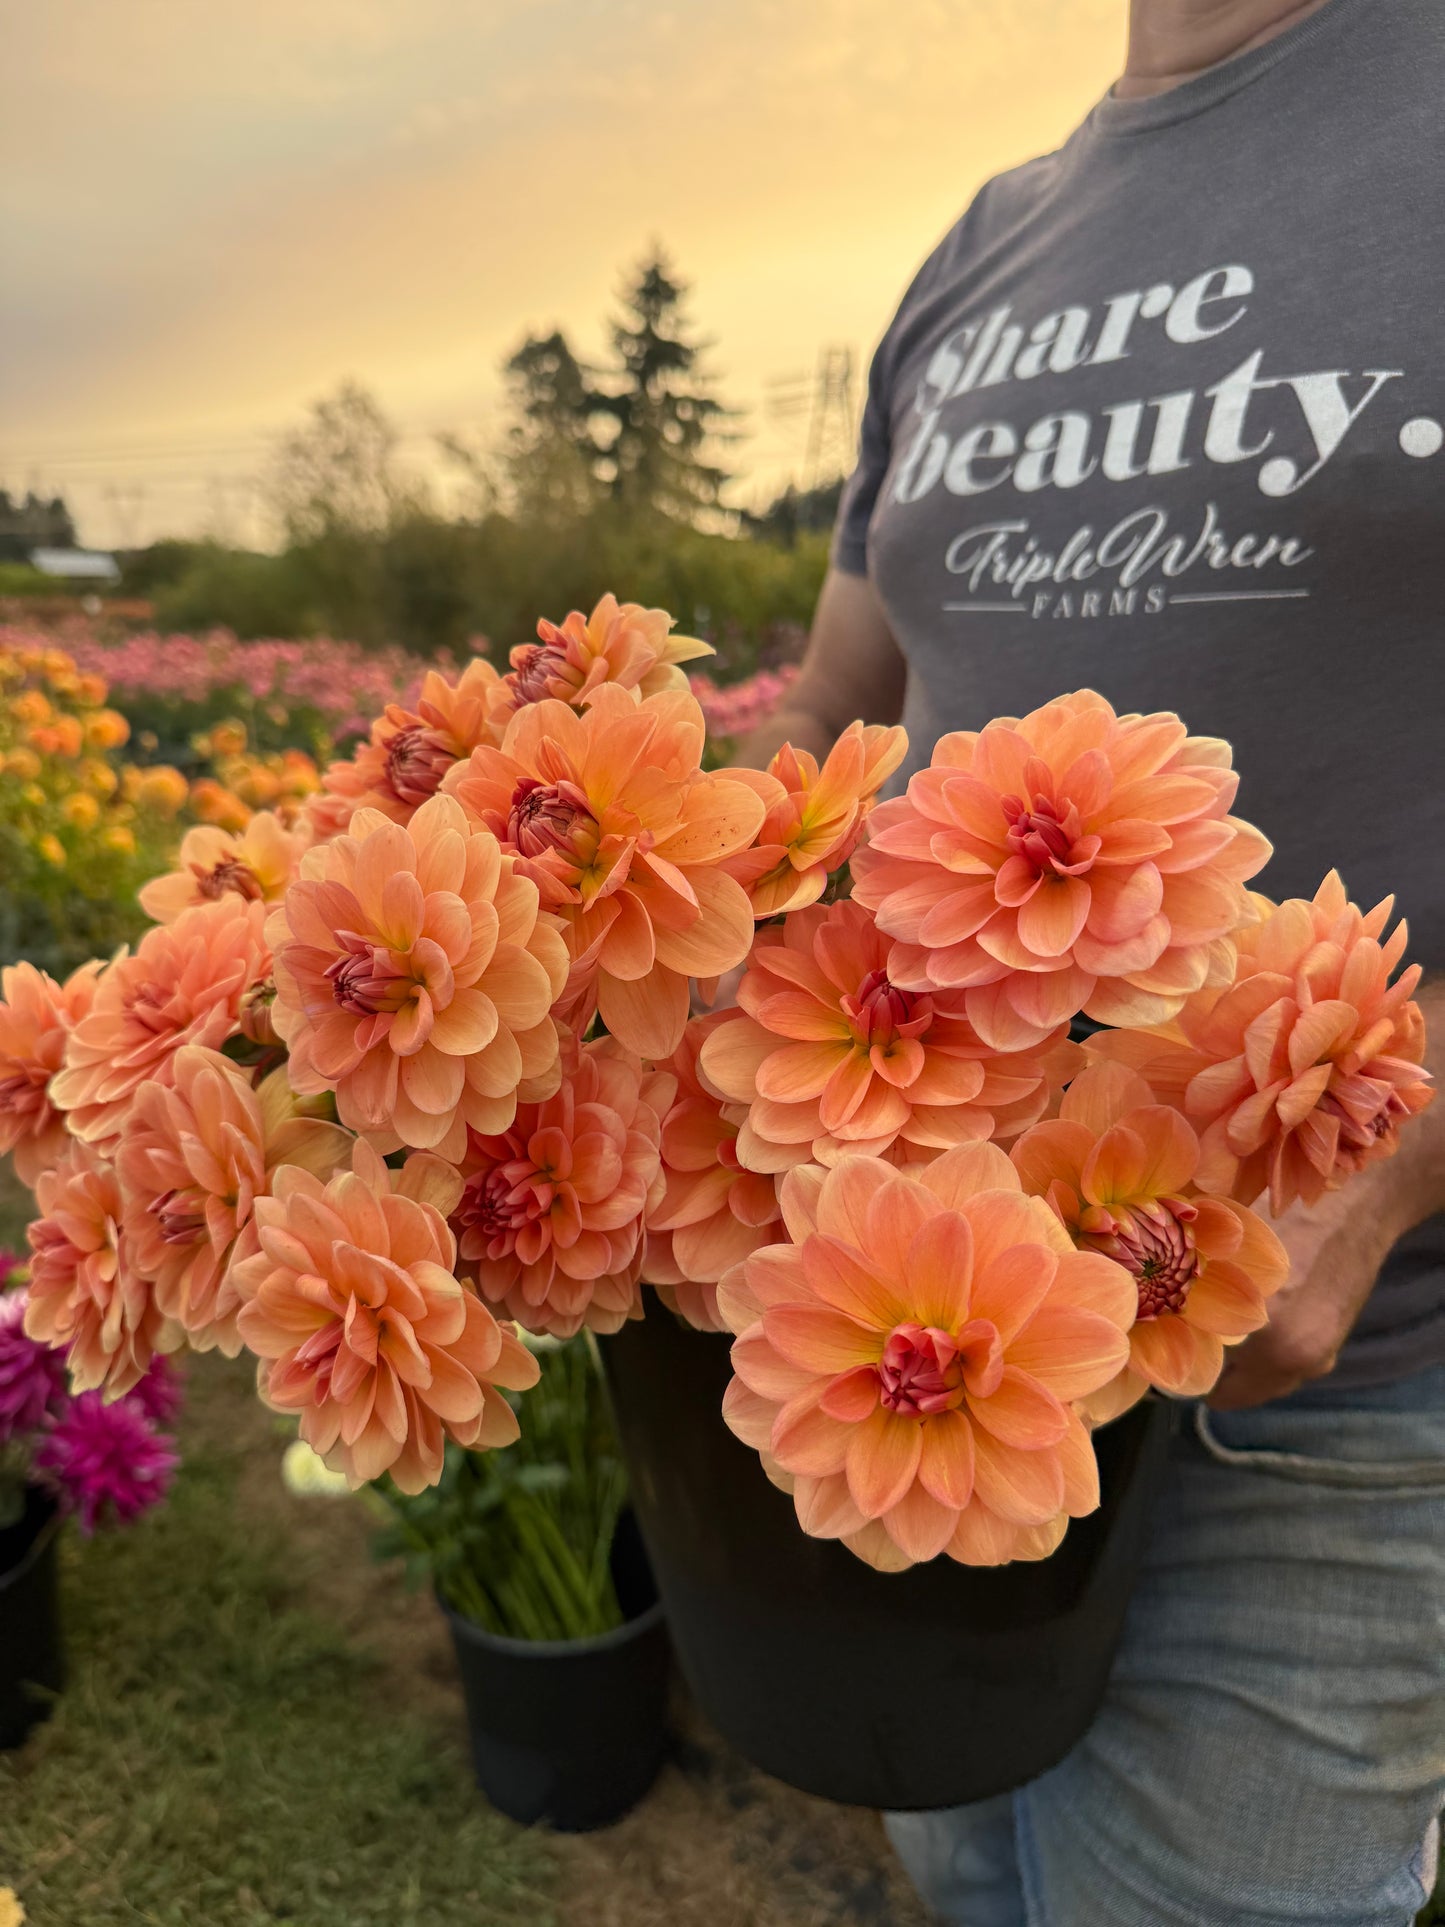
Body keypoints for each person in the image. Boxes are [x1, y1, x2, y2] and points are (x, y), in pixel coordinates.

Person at [737, 1, 1445, 1919]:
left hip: (1338, 1380)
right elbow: (831, 718)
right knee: (968, 1880)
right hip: (925, 1333)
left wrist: (1382, 1179)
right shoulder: (983, 245)